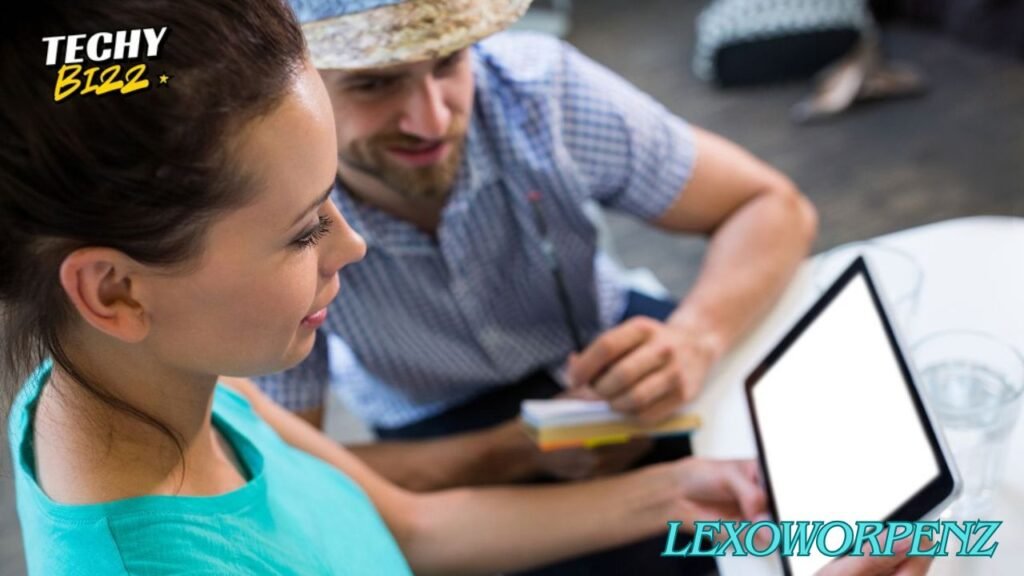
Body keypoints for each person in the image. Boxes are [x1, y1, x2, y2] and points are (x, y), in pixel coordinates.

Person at [0, 0, 768, 574]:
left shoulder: (154, 378)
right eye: (304, 230)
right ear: (116, 292)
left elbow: (410, 531)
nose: (353, 244)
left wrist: (678, 495)